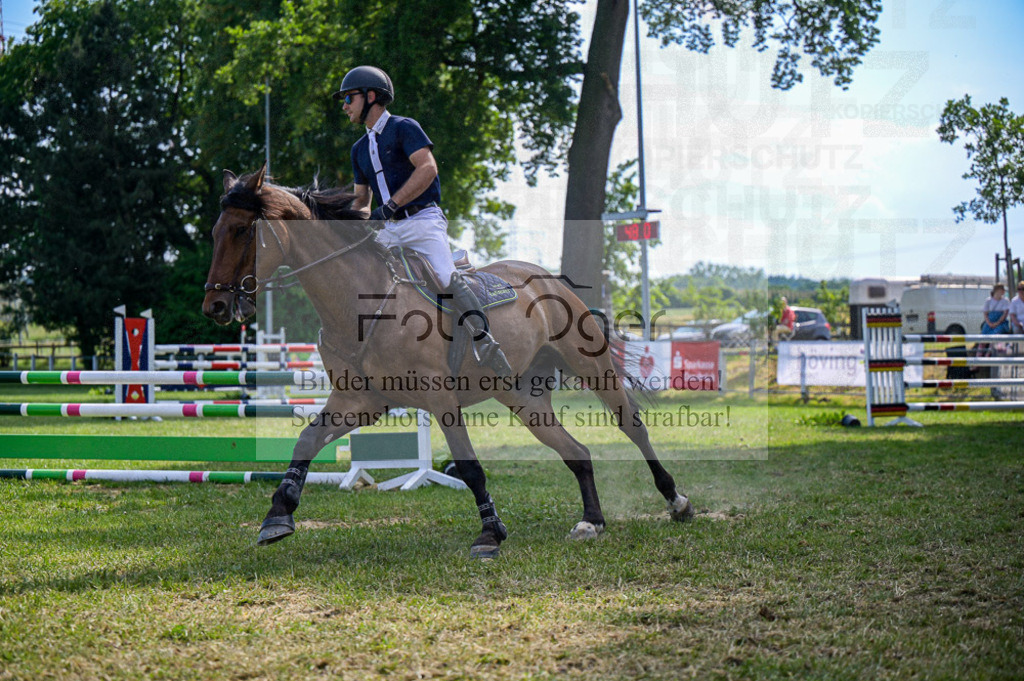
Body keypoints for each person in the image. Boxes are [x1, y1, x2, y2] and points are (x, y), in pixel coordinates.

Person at [334, 66, 511, 377]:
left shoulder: (404, 128)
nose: (344, 105)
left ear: (371, 96)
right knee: (361, 276)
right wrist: (351, 225)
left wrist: (389, 206)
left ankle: (484, 340)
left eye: (349, 97)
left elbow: (427, 168)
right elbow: (362, 202)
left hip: (422, 221)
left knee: (444, 275)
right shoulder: (358, 149)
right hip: (388, 230)